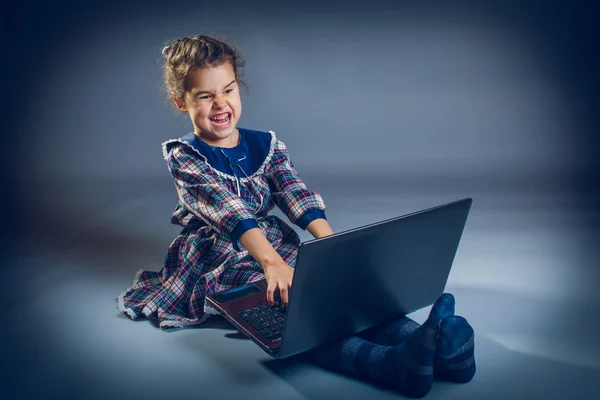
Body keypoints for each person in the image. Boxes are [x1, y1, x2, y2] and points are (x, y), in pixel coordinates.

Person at [117, 34, 476, 397]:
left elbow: (294, 193)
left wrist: (334, 246)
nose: (221, 104)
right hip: (218, 254)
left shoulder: (265, 144)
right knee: (300, 316)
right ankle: (392, 366)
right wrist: (271, 263)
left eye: (228, 90)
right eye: (206, 96)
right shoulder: (184, 155)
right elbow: (230, 210)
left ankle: (441, 347)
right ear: (182, 101)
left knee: (337, 290)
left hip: (270, 242)